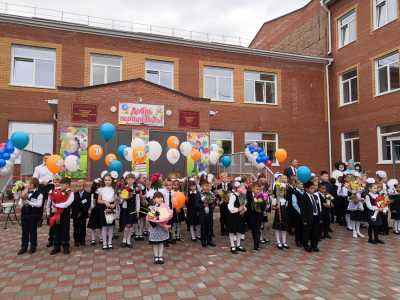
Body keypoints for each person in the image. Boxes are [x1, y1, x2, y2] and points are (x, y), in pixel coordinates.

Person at [17, 178, 43, 255]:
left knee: (33, 232)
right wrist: (22, 199)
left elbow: (39, 205)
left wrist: (28, 201)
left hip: (33, 215)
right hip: (24, 214)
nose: (26, 184)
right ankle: (23, 247)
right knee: (24, 232)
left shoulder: (39, 194)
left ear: (32, 185)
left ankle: (33, 246)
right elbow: (20, 204)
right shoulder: (25, 192)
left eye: (27, 183)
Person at [48, 177, 74, 255]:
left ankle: (65, 246)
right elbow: (52, 200)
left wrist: (56, 205)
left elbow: (66, 204)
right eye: (60, 184)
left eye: (63, 185)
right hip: (56, 213)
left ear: (67, 185)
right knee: (56, 229)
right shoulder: (56, 191)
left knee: (65, 230)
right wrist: (53, 207)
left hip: (64, 214)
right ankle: (56, 246)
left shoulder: (70, 193)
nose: (60, 186)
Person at [148, 192, 171, 264]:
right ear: (154, 199)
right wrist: (155, 216)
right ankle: (156, 256)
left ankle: (160, 256)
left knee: (161, 243)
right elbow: (150, 219)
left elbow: (167, 216)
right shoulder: (151, 208)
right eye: (158, 198)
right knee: (155, 243)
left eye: (161, 197)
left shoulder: (165, 207)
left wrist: (164, 221)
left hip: (162, 229)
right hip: (155, 228)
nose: (160, 199)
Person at [299, 181, 321, 252]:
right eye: (311, 188)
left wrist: (319, 216)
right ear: (306, 189)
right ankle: (306, 245)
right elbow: (303, 210)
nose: (313, 189)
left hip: (316, 217)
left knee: (315, 233)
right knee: (307, 233)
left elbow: (317, 206)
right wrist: (304, 220)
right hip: (308, 218)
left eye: (314, 188)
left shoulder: (315, 196)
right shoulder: (303, 197)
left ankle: (314, 245)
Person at [33, 153, 54, 226]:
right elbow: (35, 179)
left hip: (51, 186)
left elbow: (57, 178)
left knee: (51, 203)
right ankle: (39, 220)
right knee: (40, 203)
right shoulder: (38, 168)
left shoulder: (54, 167)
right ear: (43, 159)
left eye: (48, 158)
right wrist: (42, 181)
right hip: (41, 187)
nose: (46, 159)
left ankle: (49, 219)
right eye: (45, 158)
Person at [97, 174, 117, 250]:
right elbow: (98, 200)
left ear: (111, 181)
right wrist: (105, 202)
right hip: (104, 207)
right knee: (104, 226)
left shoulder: (114, 189)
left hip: (112, 207)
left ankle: (110, 242)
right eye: (106, 180)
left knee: (111, 226)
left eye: (109, 180)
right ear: (104, 181)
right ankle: (105, 243)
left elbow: (116, 199)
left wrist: (114, 204)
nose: (107, 181)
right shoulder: (101, 189)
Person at [227, 181, 247, 254]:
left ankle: (238, 245)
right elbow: (230, 206)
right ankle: (232, 245)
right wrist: (238, 209)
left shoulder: (242, 196)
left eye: (241, 187)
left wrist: (244, 209)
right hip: (233, 216)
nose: (240, 189)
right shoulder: (233, 196)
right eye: (238, 187)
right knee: (232, 230)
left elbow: (244, 205)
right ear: (235, 188)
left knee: (239, 230)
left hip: (240, 215)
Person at [120, 173, 140, 248]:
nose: (130, 180)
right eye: (128, 179)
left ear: (134, 180)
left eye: (132, 179)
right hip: (126, 208)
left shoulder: (136, 188)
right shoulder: (124, 188)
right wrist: (123, 198)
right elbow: (121, 200)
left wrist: (137, 210)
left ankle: (128, 240)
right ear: (126, 180)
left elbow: (137, 200)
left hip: (133, 208)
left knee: (131, 224)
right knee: (126, 224)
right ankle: (124, 239)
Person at [246, 182, 266, 251]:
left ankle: (256, 245)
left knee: (257, 230)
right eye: (257, 189)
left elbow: (264, 205)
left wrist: (261, 204)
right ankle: (255, 242)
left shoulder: (261, 196)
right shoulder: (249, 196)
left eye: (259, 190)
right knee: (253, 230)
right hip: (251, 216)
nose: (258, 191)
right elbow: (247, 206)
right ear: (252, 189)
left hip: (259, 216)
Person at [71, 180, 91, 247]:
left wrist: (82, 212)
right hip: (75, 214)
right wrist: (77, 212)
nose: (79, 187)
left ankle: (82, 240)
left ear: (84, 186)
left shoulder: (87, 194)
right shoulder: (74, 194)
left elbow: (88, 205)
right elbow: (72, 205)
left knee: (82, 228)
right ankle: (76, 241)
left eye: (80, 186)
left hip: (83, 214)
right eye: (77, 186)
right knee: (76, 227)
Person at [272, 182, 289, 250]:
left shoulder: (285, 200)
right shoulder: (275, 199)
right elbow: (273, 208)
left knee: (284, 229)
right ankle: (278, 242)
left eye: (283, 191)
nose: (282, 192)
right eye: (280, 191)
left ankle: (284, 242)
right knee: (277, 228)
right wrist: (276, 207)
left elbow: (286, 208)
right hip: (278, 216)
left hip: (284, 216)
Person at [199, 179, 216, 247]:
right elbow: (197, 204)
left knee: (209, 226)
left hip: (209, 213)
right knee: (203, 226)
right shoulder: (200, 194)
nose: (207, 187)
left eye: (208, 186)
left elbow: (214, 203)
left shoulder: (211, 194)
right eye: (205, 186)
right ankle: (203, 240)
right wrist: (203, 205)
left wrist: (212, 204)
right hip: (202, 213)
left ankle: (209, 240)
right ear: (202, 187)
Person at [87, 179, 102, 245]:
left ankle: (101, 238)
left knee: (101, 224)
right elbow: (91, 202)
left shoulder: (102, 191)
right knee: (93, 225)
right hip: (94, 210)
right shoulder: (92, 193)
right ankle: (93, 239)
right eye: (96, 185)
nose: (97, 186)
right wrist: (90, 210)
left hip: (101, 209)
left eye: (99, 185)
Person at [291, 179, 304, 247]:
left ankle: (302, 239)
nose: (302, 185)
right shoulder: (295, 193)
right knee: (298, 227)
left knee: (302, 226)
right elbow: (294, 204)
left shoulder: (303, 192)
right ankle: (297, 240)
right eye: (300, 184)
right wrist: (300, 211)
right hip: (298, 213)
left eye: (302, 184)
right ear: (297, 185)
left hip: (303, 212)